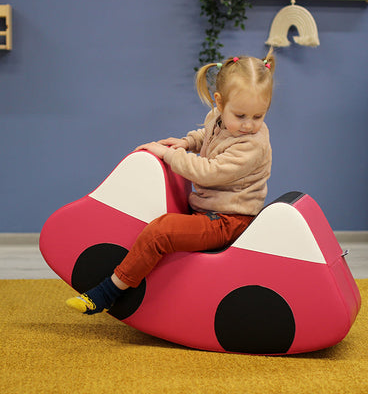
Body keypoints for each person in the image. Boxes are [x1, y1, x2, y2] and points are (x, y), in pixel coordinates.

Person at [66, 50, 276, 315]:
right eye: (241, 116)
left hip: (228, 220)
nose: (248, 125)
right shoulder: (219, 118)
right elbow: (209, 135)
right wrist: (188, 142)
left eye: (258, 117)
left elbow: (208, 171)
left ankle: (108, 292)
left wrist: (169, 154)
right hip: (208, 210)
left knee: (161, 232)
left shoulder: (252, 145)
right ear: (219, 103)